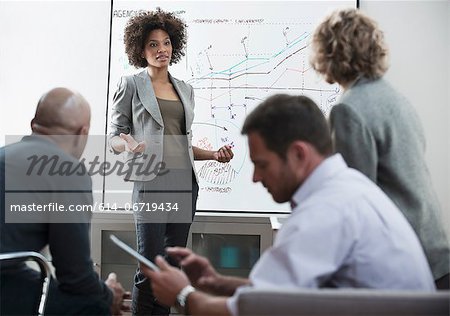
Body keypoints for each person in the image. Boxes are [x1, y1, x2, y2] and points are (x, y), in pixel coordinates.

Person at [140, 94, 435, 316]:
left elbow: (253, 311)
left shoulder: (323, 213)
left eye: (262, 164)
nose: (255, 177)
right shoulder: (351, 190)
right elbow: (278, 297)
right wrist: (216, 282)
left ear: (298, 154)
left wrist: (182, 295)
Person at [309, 8, 450, 289]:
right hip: (434, 251)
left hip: (403, 263)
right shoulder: (395, 97)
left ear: (329, 53)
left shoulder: (349, 109)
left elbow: (354, 202)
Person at [108, 8, 234, 315]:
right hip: (151, 184)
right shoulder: (131, 84)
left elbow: (181, 144)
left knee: (173, 269)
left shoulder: (186, 90)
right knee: (149, 267)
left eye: (166, 43)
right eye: (153, 44)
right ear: (140, 49)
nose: (161, 49)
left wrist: (214, 155)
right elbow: (114, 139)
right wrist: (129, 143)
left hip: (184, 186)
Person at [0, 88, 129, 315]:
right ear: (83, 133)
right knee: (95, 306)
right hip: (6, 286)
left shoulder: (4, 155)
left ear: (34, 125)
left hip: (10, 273)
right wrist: (108, 295)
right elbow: (75, 275)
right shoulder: (69, 171)